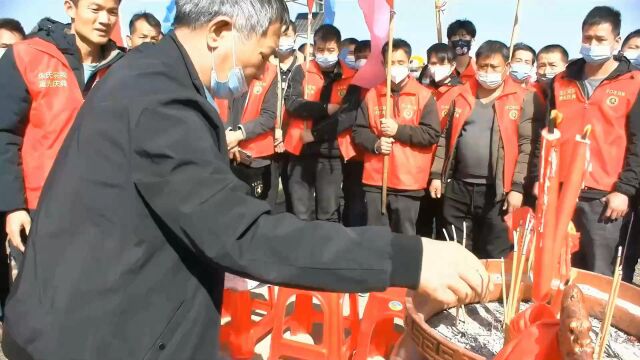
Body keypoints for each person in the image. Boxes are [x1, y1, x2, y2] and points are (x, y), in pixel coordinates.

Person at [1, 1, 491, 358]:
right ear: (220, 31)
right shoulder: (161, 100)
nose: (270, 65)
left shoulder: (151, 76)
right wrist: (410, 257)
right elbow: (243, 235)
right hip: (87, 337)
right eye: (266, 49)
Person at [0, 0, 125, 266]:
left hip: (102, 212)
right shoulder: (27, 56)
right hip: (38, 210)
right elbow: (5, 134)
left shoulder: (124, 68)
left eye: (111, 11)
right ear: (70, 8)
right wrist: (13, 207)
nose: (104, 19)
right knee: (37, 301)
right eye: (95, 9)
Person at [549, 6, 640, 276]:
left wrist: (624, 190)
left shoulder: (633, 83)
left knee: (598, 273)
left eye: (600, 40)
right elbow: (547, 137)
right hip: (562, 192)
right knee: (559, 268)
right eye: (587, 38)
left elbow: (637, 144)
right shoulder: (561, 82)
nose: (592, 45)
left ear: (616, 41)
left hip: (603, 197)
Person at [430, 40, 538, 259]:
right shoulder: (461, 95)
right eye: (483, 66)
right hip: (459, 188)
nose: (488, 72)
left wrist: (517, 187)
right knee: (456, 250)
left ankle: (489, 294)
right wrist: (436, 175)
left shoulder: (523, 98)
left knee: (493, 252)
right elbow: (445, 137)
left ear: (506, 67)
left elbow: (526, 147)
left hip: (497, 192)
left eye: (494, 67)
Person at [353, 39, 440, 235]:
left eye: (401, 63)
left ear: (409, 62)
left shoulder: (423, 95)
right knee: (375, 238)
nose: (396, 67)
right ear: (383, 64)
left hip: (408, 182)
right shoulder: (372, 95)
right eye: (391, 62)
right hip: (376, 181)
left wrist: (398, 130)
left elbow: (431, 134)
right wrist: (376, 144)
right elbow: (359, 131)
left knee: (404, 239)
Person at [284, 24, 355, 222]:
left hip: (330, 153)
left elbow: (347, 116)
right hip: (301, 150)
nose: (325, 54)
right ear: (314, 48)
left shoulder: (351, 77)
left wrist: (316, 133)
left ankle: (327, 252)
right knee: (300, 214)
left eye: (331, 50)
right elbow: (292, 103)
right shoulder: (302, 71)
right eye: (320, 49)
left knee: (328, 213)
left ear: (339, 48)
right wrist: (326, 108)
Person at [417, 43, 464, 239]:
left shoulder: (461, 93)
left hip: (446, 168)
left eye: (440, 63)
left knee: (445, 224)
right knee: (422, 222)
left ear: (452, 66)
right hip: (421, 165)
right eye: (432, 63)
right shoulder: (423, 91)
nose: (434, 67)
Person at [447, 19, 477, 83]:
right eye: (456, 36)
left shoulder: (480, 71)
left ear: (472, 41)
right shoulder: (442, 72)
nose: (460, 40)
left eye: (464, 36)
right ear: (449, 42)